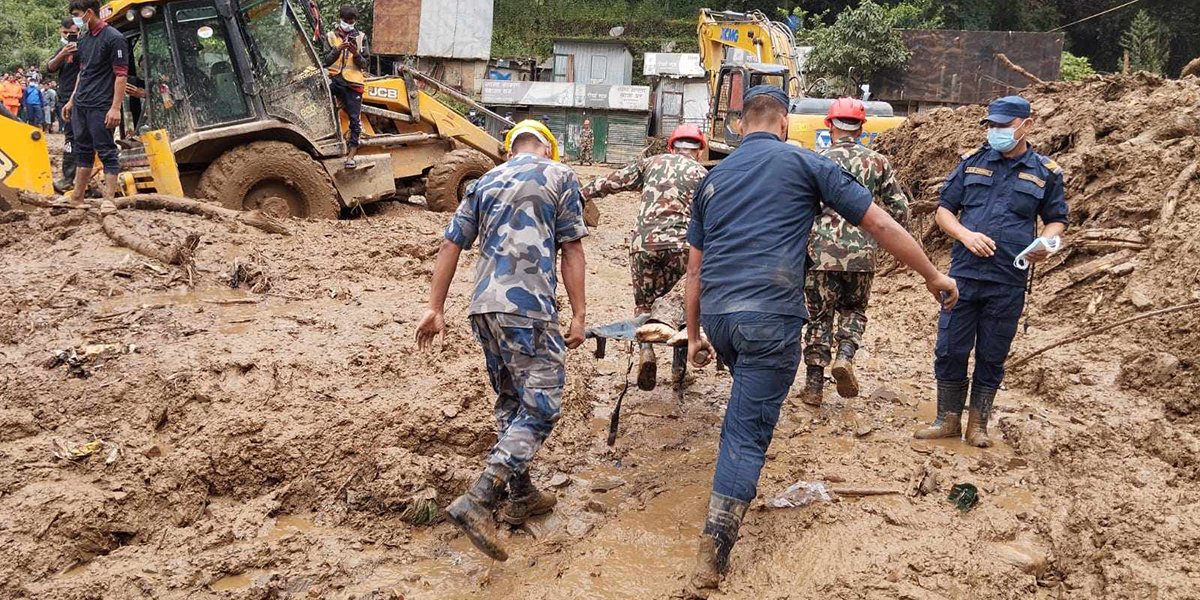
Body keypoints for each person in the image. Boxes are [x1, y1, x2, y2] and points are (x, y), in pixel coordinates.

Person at [682, 85, 958, 593]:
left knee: (744, 397)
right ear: (785, 123)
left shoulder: (712, 180)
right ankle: (713, 552)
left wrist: (695, 335)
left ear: (740, 125)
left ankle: (726, 490)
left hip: (719, 316)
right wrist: (931, 275)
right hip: (770, 314)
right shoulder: (806, 163)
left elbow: (693, 272)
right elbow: (878, 221)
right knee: (745, 433)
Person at [415, 120, 588, 562]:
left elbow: (451, 245)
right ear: (548, 148)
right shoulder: (560, 176)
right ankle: (480, 497)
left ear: (510, 150)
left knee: (512, 402)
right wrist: (580, 313)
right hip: (528, 308)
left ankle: (521, 495)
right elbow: (572, 249)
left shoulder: (484, 180)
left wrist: (435, 308)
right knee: (543, 407)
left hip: (483, 309)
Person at [914, 95, 1068, 448]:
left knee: (992, 353)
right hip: (963, 277)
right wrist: (965, 235)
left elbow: (1057, 221)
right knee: (950, 348)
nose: (996, 132)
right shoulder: (971, 163)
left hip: (1008, 280)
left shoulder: (1045, 172)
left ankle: (978, 424)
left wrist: (1046, 244)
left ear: (1026, 125)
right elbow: (944, 211)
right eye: (992, 126)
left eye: (1004, 126)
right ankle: (947, 419)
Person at [797, 98, 910, 406]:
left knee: (819, 316)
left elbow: (800, 210)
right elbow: (900, 208)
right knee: (854, 310)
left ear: (828, 126)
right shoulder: (878, 162)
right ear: (862, 128)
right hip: (862, 255)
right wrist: (892, 248)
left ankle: (814, 387)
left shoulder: (816, 161)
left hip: (820, 255)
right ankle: (845, 358)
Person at [581, 123, 708, 390]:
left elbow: (613, 182)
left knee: (644, 306)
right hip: (683, 247)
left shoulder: (651, 163)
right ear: (699, 151)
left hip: (644, 245)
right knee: (683, 306)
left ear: (671, 146)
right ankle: (679, 372)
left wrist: (582, 193)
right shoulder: (702, 174)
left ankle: (646, 353)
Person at [62, 0, 128, 204]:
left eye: (76, 14)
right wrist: (72, 100)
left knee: (106, 150)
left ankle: (109, 200)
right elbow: (83, 72)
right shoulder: (84, 39)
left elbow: (121, 75)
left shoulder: (114, 38)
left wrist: (115, 108)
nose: (75, 19)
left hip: (101, 104)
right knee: (83, 150)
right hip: (82, 103)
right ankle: (77, 196)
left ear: (89, 13)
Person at [322, 4, 370, 170]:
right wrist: (338, 49)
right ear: (340, 19)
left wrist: (356, 53)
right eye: (346, 20)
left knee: (355, 121)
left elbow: (365, 64)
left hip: (353, 84)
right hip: (334, 81)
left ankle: (351, 157)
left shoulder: (361, 37)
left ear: (355, 21)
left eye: (351, 21)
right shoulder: (330, 36)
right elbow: (326, 60)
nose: (348, 23)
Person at [47, 16, 82, 188]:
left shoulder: (86, 48)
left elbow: (85, 74)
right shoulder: (63, 50)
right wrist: (63, 53)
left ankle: (83, 179)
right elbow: (50, 67)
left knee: (83, 137)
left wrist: (73, 99)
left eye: (72, 33)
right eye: (65, 32)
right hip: (64, 100)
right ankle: (68, 177)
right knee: (70, 139)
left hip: (80, 98)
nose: (68, 36)